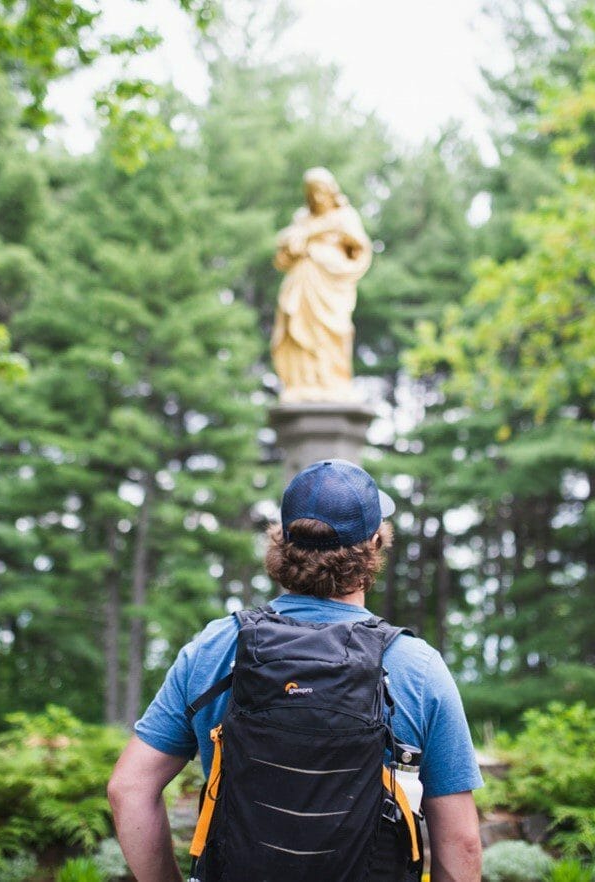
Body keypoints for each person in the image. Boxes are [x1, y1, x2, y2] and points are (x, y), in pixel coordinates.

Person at [109, 459, 483, 882]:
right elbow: (461, 843)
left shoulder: (215, 648)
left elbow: (129, 789)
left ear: (282, 540)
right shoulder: (417, 667)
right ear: (376, 543)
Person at [270, 168, 372, 402]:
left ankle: (332, 380)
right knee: (300, 330)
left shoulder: (345, 216)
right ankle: (303, 381)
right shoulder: (302, 218)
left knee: (332, 331)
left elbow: (360, 249)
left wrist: (329, 235)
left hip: (331, 284)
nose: (317, 198)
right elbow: (283, 250)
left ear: (331, 191)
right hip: (303, 283)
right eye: (312, 193)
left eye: (321, 192)